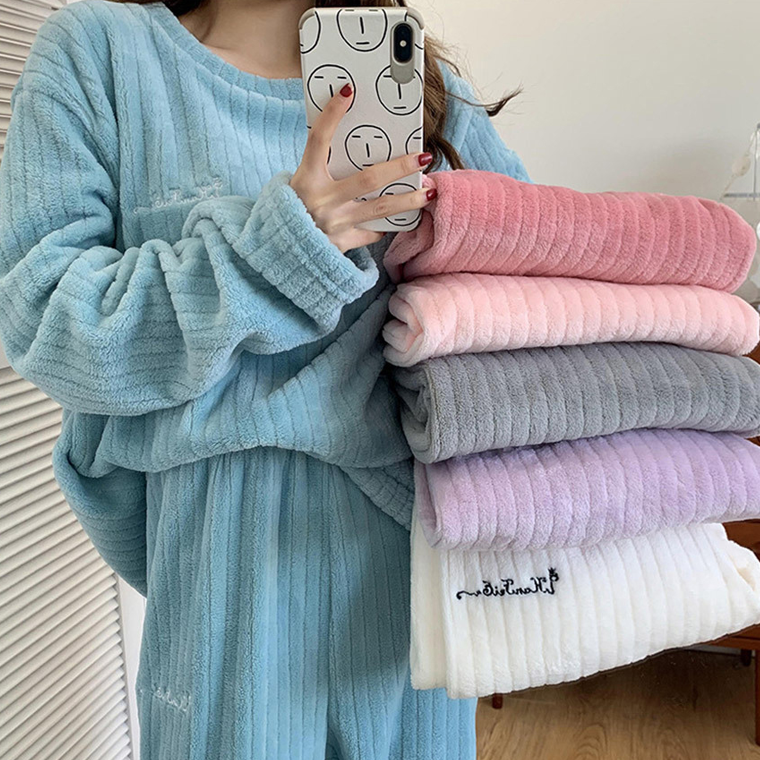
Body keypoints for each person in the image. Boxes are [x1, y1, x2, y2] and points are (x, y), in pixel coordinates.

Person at [0, 0, 530, 757]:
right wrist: (282, 248)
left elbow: (526, 290)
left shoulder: (414, 77)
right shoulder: (100, 53)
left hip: (413, 570)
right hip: (222, 577)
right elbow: (47, 322)